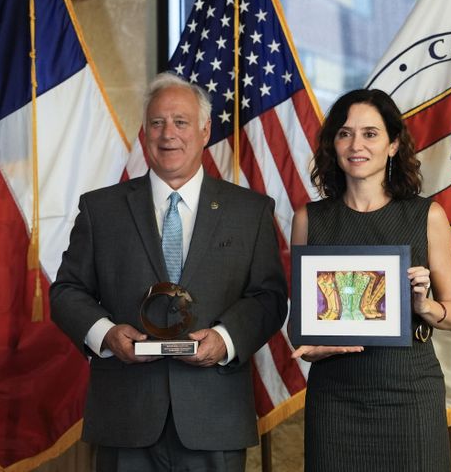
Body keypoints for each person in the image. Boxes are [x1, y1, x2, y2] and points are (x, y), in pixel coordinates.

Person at [50, 72, 288, 472]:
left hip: (214, 418)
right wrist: (106, 333)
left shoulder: (250, 211)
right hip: (126, 418)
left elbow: (268, 297)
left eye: (181, 122)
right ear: (144, 133)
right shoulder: (101, 209)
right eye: (157, 123)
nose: (168, 134)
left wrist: (226, 340)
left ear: (205, 130)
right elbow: (66, 291)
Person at [291, 89, 451, 471]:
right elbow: (299, 324)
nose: (356, 144)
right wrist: (311, 347)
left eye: (370, 134)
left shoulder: (427, 216)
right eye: (345, 133)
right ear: (333, 144)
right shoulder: (309, 219)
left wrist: (423, 306)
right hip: (335, 396)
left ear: (393, 145)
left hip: (410, 392)